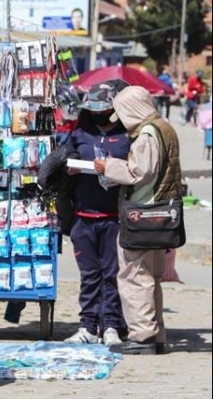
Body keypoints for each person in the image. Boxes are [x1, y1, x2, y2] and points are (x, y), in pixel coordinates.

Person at [93, 85, 183, 355]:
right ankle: (156, 336)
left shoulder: (147, 135)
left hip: (142, 215)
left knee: (135, 275)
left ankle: (142, 336)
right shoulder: (164, 127)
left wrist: (108, 166)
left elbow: (138, 172)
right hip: (160, 215)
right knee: (150, 277)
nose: (121, 121)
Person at [62, 82, 131, 346]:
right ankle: (88, 326)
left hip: (114, 218)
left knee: (112, 275)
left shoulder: (127, 136)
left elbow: (134, 170)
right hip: (83, 217)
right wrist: (70, 168)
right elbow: (67, 158)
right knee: (89, 276)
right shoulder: (80, 134)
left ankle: (112, 324)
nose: (98, 115)